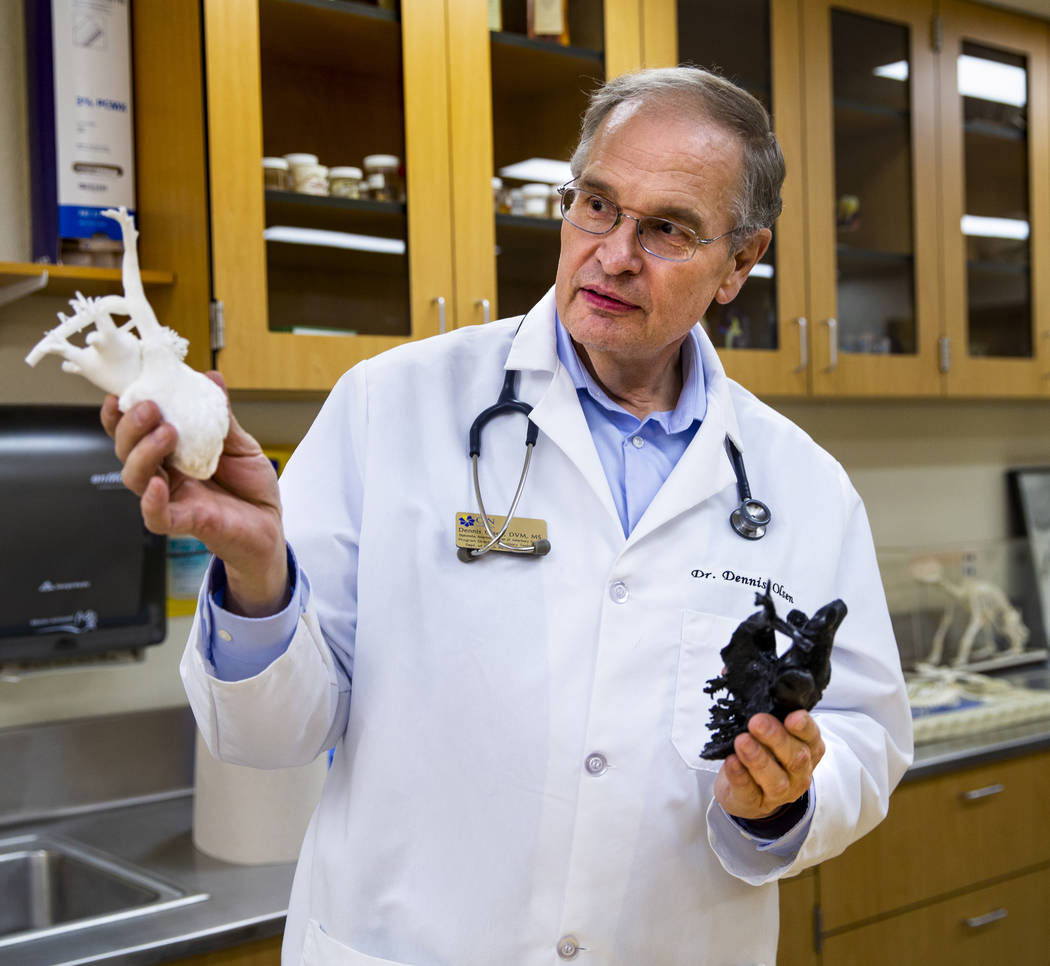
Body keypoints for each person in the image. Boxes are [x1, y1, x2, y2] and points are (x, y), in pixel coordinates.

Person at [105, 67, 912, 966]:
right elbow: (267, 736)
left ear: (740, 263)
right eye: (596, 206)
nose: (612, 253)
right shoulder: (391, 405)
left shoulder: (803, 484)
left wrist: (786, 798)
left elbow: (866, 737)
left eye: (668, 230)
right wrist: (258, 581)